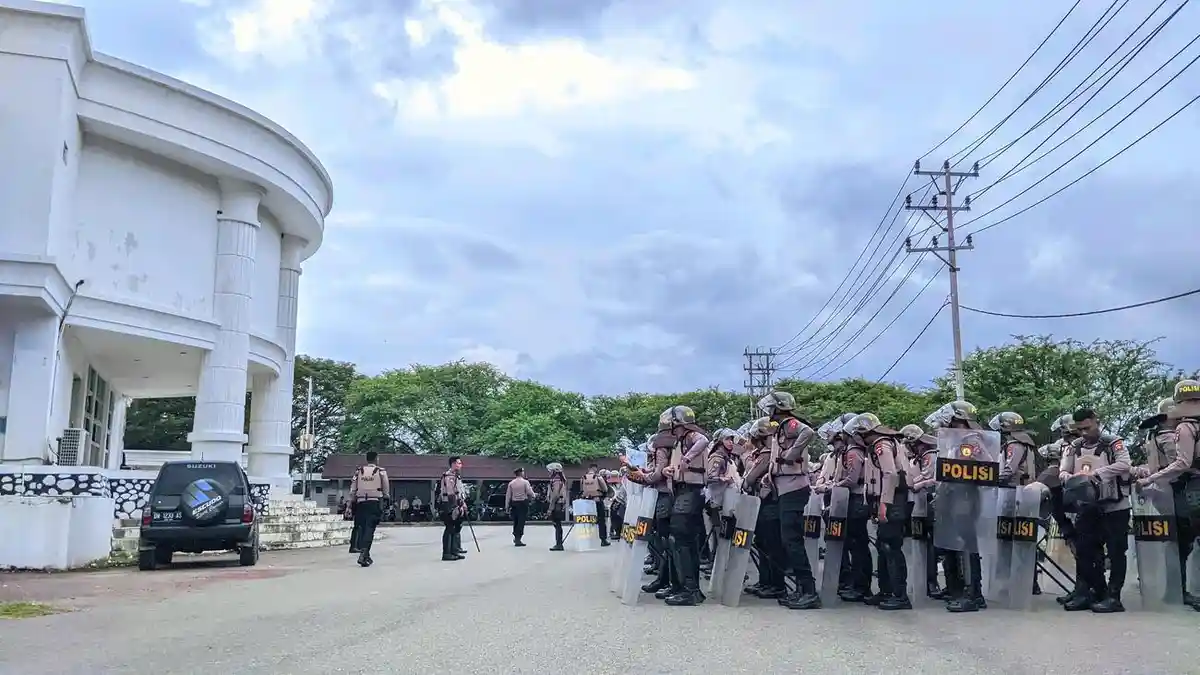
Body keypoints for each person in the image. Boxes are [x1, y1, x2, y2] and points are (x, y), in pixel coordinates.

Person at [1058, 408, 1131, 612]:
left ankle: (1114, 597)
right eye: (1079, 429)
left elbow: (1125, 464)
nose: (1083, 433)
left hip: (1115, 505)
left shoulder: (1112, 442)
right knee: (1086, 551)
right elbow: (1063, 469)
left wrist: (1097, 474)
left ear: (1095, 421)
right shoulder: (1075, 446)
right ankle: (1095, 591)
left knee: (1117, 552)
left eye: (1087, 428)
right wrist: (1070, 478)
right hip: (1087, 505)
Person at [758, 391, 821, 610]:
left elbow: (808, 431)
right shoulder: (780, 429)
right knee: (787, 541)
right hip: (783, 487)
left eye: (771, 408)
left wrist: (792, 454)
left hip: (794, 487)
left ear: (779, 408)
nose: (769, 412)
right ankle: (802, 590)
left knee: (791, 541)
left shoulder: (790, 423)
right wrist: (770, 473)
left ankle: (809, 591)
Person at [924, 399, 989, 613]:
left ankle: (972, 593)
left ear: (958, 419)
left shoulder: (971, 441)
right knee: (951, 543)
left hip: (965, 497)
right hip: (951, 496)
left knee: (966, 545)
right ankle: (957, 589)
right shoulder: (954, 441)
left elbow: (987, 466)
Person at [1138, 386, 1200, 608]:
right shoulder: (1169, 436)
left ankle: (1175, 588)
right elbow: (1181, 464)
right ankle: (1179, 589)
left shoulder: (1153, 435)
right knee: (1182, 542)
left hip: (1165, 490)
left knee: (1175, 542)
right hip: (1179, 490)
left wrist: (1148, 476)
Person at [849, 413, 911, 610]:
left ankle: (900, 595)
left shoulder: (881, 445)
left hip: (892, 500)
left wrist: (884, 503)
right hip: (889, 499)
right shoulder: (882, 444)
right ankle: (886, 591)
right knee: (883, 546)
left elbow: (890, 474)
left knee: (891, 547)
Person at [659, 404, 710, 606]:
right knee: (685, 541)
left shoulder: (691, 435)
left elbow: (704, 441)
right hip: (685, 490)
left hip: (691, 491)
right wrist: (670, 470)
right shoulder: (682, 440)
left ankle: (689, 590)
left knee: (681, 538)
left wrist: (687, 459)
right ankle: (688, 588)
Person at [743, 416, 788, 600]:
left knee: (771, 545)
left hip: (769, 503)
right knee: (763, 544)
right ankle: (765, 581)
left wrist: (745, 482)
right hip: (764, 503)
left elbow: (750, 478)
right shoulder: (768, 453)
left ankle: (775, 585)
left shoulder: (767, 454)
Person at [902, 423, 943, 599]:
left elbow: (931, 479)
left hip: (931, 500)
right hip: (919, 502)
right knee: (920, 541)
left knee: (932, 542)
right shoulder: (918, 458)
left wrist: (915, 484)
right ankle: (923, 580)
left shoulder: (930, 456)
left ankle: (932, 582)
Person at [346, 451, 389, 567]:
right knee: (370, 529)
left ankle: (365, 553)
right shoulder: (381, 471)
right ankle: (364, 553)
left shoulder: (359, 471)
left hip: (360, 503)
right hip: (374, 502)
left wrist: (349, 505)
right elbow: (386, 489)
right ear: (376, 459)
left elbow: (352, 489)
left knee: (363, 527)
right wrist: (385, 498)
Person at [438, 456, 466, 562]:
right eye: (459, 463)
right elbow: (450, 493)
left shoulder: (456, 476)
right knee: (449, 528)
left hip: (456, 503)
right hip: (449, 504)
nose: (460, 465)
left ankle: (454, 551)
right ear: (453, 464)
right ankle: (446, 553)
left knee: (455, 528)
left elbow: (459, 492)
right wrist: (456, 506)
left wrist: (462, 504)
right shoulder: (448, 476)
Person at [580, 463, 611, 547]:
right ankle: (603, 540)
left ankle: (586, 539)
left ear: (588, 468)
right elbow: (605, 489)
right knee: (601, 520)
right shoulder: (598, 477)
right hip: (597, 500)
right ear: (595, 469)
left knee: (587, 520)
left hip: (587, 502)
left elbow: (582, 490)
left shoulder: (583, 478)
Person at [505, 468, 535, 547]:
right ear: (521, 473)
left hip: (514, 503)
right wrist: (533, 496)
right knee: (521, 521)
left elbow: (508, 495)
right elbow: (529, 492)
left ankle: (516, 536)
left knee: (516, 521)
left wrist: (507, 506)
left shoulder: (511, 483)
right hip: (522, 503)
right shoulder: (525, 482)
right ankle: (518, 538)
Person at [546, 463, 568, 551]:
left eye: (550, 471)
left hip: (556, 505)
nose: (549, 472)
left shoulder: (556, 480)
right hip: (559, 504)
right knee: (558, 525)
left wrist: (550, 509)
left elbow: (555, 495)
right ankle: (559, 544)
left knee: (557, 525)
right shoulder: (561, 479)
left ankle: (559, 544)